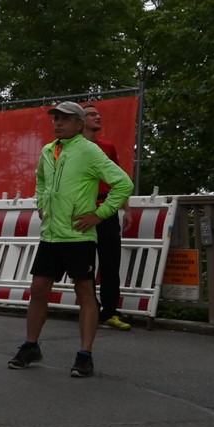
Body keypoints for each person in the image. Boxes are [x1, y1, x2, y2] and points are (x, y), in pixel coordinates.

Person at [8, 100, 133, 377]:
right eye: (56, 118)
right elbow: (41, 180)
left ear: (79, 124)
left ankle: (85, 355)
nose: (58, 123)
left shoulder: (89, 150)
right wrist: (41, 203)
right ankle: (30, 346)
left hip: (79, 236)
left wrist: (100, 215)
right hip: (51, 235)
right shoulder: (47, 150)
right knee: (38, 289)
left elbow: (123, 183)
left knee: (84, 292)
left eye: (65, 119)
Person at [83, 105, 130, 331]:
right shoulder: (69, 148)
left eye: (98, 113)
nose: (98, 116)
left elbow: (118, 179)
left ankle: (110, 311)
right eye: (91, 114)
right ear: (80, 120)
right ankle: (90, 309)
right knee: (85, 265)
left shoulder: (108, 147)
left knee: (111, 263)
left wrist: (126, 208)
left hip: (107, 209)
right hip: (83, 210)